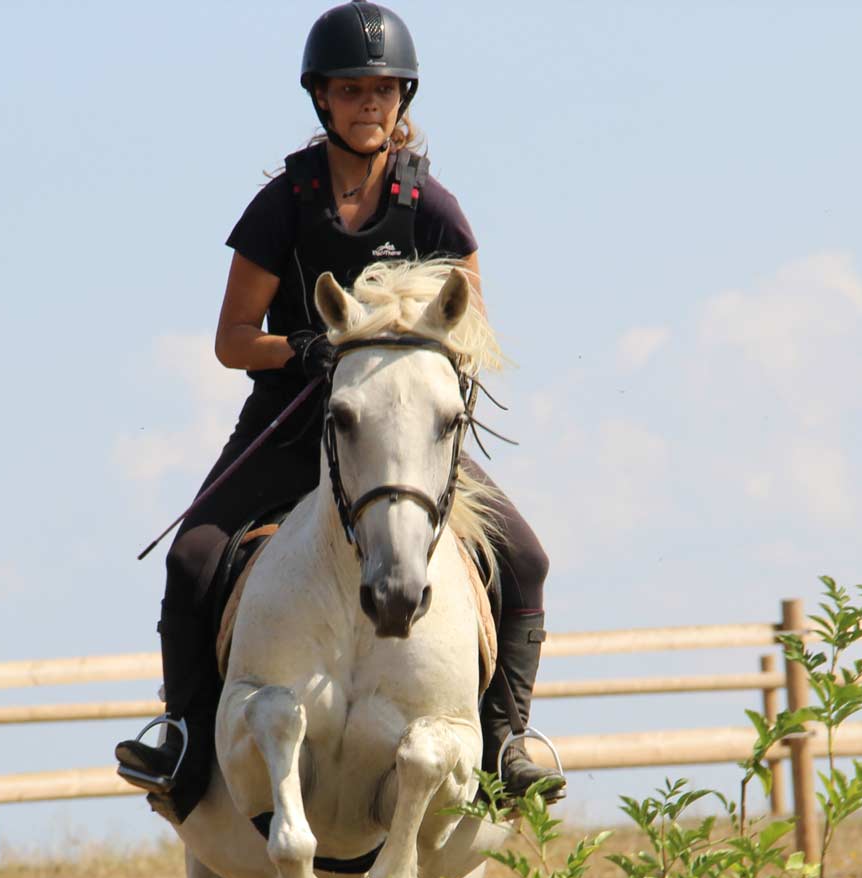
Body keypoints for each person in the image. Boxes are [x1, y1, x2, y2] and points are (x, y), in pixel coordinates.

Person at [116, 0, 562, 820]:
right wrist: (304, 349)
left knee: (525, 560)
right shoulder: (284, 202)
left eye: (383, 91)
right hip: (289, 423)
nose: (369, 105)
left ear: (403, 99)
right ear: (321, 99)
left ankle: (506, 739)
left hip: (402, 440)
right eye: (352, 90)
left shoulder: (433, 207)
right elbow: (230, 340)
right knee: (193, 558)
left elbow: (476, 331)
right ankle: (180, 735)